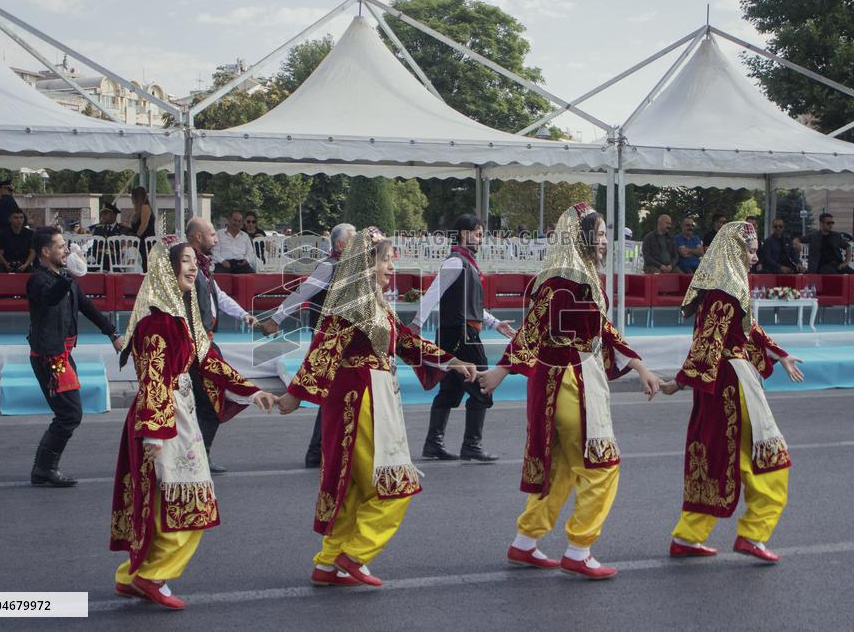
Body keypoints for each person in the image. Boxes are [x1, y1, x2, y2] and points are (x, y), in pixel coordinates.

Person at [277, 228, 478, 587]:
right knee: (396, 485)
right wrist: (294, 395)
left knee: (355, 488)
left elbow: (405, 341)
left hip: (372, 397)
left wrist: (450, 361)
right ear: (365, 264)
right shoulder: (354, 304)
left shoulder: (374, 303)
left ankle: (326, 564)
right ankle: (354, 554)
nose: (391, 265)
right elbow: (324, 349)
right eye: (385, 258)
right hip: (362, 401)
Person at [478, 203, 661, 580]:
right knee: (603, 466)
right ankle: (579, 548)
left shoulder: (568, 276)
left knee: (561, 467)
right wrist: (502, 367)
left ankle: (525, 542)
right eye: (597, 234)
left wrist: (638, 364)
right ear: (580, 238)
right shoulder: (568, 280)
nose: (604, 240)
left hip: (560, 380)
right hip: (571, 380)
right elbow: (536, 328)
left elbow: (599, 329)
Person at [109, 239, 278, 610]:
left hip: (177, 415)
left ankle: (133, 575)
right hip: (165, 418)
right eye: (184, 261)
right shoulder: (158, 323)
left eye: (193, 262)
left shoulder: (180, 319)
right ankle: (152, 575)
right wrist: (155, 433)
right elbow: (154, 379)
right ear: (166, 270)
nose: (192, 268)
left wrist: (252, 392)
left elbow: (209, 362)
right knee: (186, 499)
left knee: (166, 498)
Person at [659, 221, 804, 563]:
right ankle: (753, 534)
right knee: (769, 457)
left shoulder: (725, 287)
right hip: (732, 383)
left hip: (722, 381)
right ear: (734, 251)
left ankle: (689, 537)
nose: (755, 258)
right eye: (750, 251)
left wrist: (779, 354)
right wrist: (677, 383)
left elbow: (747, 329)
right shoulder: (725, 292)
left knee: (716, 457)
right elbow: (708, 342)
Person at [411, 214, 516, 462]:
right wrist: (416, 324)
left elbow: (471, 304)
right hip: (462, 334)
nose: (481, 239)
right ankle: (472, 445)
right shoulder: (456, 262)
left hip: (456, 332)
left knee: (451, 387)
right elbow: (432, 294)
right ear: (464, 234)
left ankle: (433, 444)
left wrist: (494, 323)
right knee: (483, 385)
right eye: (478, 234)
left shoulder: (464, 262)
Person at [27, 227, 124, 487]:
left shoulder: (64, 279)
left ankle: (43, 468)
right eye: (60, 246)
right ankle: (44, 468)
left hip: (62, 354)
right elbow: (49, 298)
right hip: (51, 356)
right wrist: (68, 277)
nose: (66, 250)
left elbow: (88, 307)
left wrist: (112, 333)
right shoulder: (38, 281)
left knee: (69, 413)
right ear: (45, 252)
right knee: (69, 413)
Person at [259, 223, 356, 469]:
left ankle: (322, 451)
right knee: (332, 392)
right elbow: (302, 294)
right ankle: (318, 451)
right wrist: (276, 319)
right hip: (328, 338)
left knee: (336, 393)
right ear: (341, 245)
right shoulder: (328, 267)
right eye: (353, 237)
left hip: (348, 337)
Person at [184, 217, 260, 475]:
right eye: (212, 236)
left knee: (209, 402)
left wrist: (243, 314)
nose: (217, 240)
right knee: (209, 403)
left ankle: (197, 456)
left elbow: (219, 296)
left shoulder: (202, 266)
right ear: (198, 238)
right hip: (196, 346)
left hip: (206, 343)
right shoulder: (188, 267)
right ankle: (196, 458)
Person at [0, 208, 34, 273]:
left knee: (35, 275)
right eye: (16, 218)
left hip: (24, 264)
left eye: (21, 217)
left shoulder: (30, 234)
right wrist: (6, 264)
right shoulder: (3, 234)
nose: (19, 220)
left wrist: (26, 265)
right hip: (7, 264)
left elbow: (32, 252)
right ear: (10, 219)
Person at [90, 203, 127, 271]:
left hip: (115, 261)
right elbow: (93, 246)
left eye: (105, 214)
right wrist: (91, 256)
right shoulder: (98, 229)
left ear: (113, 215)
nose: (102, 216)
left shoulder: (122, 229)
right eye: (102, 214)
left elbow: (123, 249)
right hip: (99, 260)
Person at [129, 186, 155, 272]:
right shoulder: (138, 210)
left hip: (145, 242)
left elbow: (144, 224)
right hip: (140, 241)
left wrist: (136, 237)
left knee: (144, 264)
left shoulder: (145, 207)